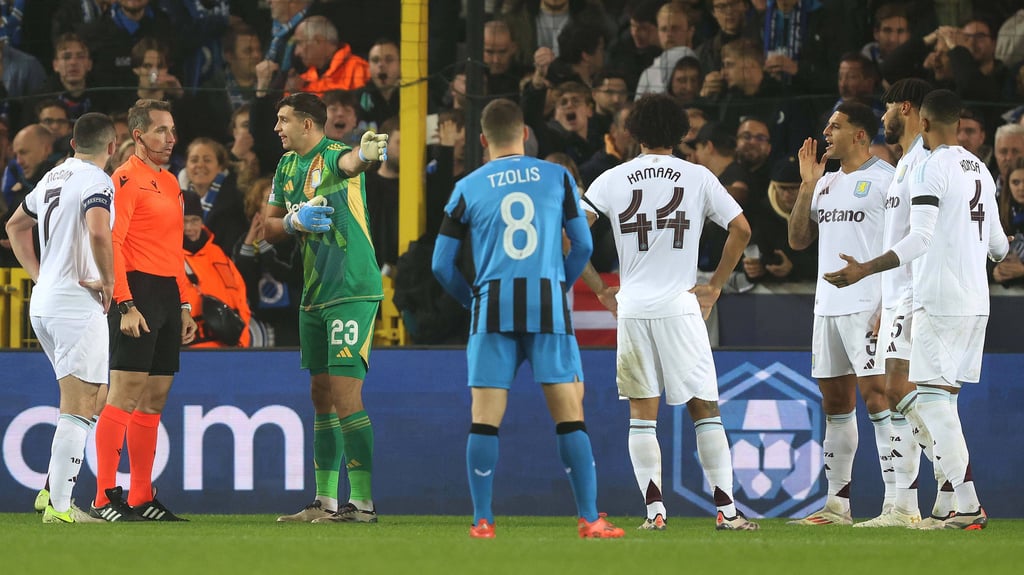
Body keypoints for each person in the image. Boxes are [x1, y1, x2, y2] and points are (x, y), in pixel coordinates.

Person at [431, 97, 624, 540]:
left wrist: (471, 301)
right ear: (525, 136)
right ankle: (590, 519)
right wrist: (558, 285)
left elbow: (442, 265)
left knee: (485, 419)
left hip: (491, 310)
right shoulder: (557, 177)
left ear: (483, 140)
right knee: (569, 416)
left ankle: (482, 520)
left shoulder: (468, 185)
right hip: (547, 308)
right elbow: (584, 247)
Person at [822, 89, 1011, 530]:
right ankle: (949, 503)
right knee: (937, 398)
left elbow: (921, 239)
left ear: (923, 122)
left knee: (928, 398)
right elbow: (1000, 247)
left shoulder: (929, 166)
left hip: (936, 298)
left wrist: (866, 269)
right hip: (975, 302)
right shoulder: (980, 169)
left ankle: (966, 503)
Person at [579, 93, 757, 532]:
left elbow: (572, 240)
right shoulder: (697, 176)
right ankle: (727, 511)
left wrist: (602, 289)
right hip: (681, 305)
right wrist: (714, 285)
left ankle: (655, 513)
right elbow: (742, 229)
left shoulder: (610, 179)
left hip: (633, 306)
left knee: (642, 413)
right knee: (705, 410)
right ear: (682, 133)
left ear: (633, 133)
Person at [263, 92, 388, 524]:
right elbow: (268, 225)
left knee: (344, 393)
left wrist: (368, 155)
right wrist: (294, 222)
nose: (277, 128)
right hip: (314, 293)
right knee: (320, 395)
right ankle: (325, 501)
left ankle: (365, 504)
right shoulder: (285, 166)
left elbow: (353, 163)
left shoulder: (332, 154)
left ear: (308, 124)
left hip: (352, 288)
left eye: (283, 120)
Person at [5, 112, 117, 524]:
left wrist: (41, 276)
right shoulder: (97, 180)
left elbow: (16, 226)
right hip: (76, 301)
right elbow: (99, 231)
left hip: (47, 302)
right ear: (112, 147)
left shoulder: (54, 176)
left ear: (72, 144)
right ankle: (61, 507)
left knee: (95, 396)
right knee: (81, 400)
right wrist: (108, 280)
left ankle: (51, 490)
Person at [787, 101, 895, 526]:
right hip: (827, 307)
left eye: (836, 126)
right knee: (835, 403)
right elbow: (798, 240)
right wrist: (807, 186)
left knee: (880, 399)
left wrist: (890, 304)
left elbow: (906, 247)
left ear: (861, 135)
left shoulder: (888, 181)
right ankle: (837, 505)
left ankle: (898, 504)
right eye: (826, 125)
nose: (826, 133)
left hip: (870, 306)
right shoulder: (825, 183)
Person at [91, 99, 198, 522]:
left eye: (172, 130)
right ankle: (103, 496)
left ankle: (140, 496)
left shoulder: (171, 183)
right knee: (124, 395)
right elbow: (113, 243)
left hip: (167, 293)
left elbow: (175, 249)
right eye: (160, 131)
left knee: (154, 399)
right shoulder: (123, 180)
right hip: (135, 291)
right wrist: (125, 302)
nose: (170, 138)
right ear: (138, 135)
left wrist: (185, 303)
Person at [851, 78, 939, 528]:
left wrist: (886, 287)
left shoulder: (924, 163)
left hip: (915, 295)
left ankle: (953, 482)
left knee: (904, 391)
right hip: (898, 295)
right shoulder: (906, 163)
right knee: (893, 391)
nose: (881, 117)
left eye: (885, 109)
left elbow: (924, 238)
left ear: (904, 108)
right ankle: (905, 505)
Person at [181, 190, 251, 348]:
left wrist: (241, 341)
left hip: (229, 350)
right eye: (183, 221)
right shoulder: (166, 258)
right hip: (189, 355)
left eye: (194, 220)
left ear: (202, 222)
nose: (189, 227)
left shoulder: (217, 254)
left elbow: (241, 299)